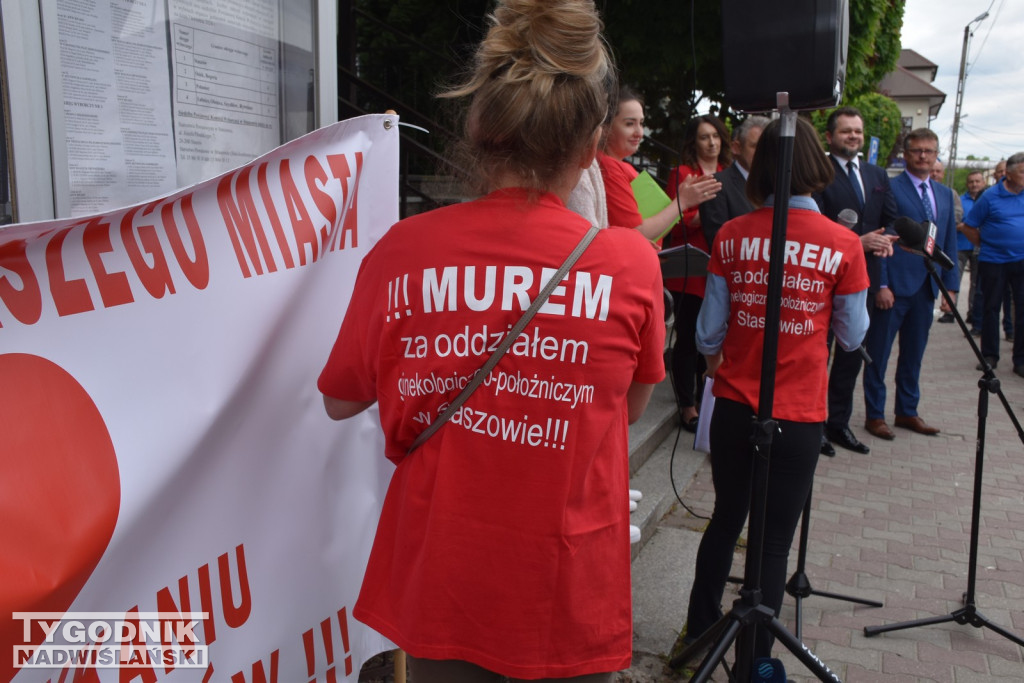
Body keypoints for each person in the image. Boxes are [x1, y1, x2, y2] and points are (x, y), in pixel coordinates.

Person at [317, 2, 667, 681]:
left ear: (480, 124)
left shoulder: (402, 252)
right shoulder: (630, 263)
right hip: (565, 597)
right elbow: (624, 412)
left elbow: (338, 402)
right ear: (590, 138)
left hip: (442, 587)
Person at [683, 117, 869, 661]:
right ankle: (754, 660)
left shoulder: (733, 235)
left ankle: (701, 629)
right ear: (818, 168)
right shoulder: (843, 243)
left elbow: (706, 333)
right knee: (772, 542)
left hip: (736, 405)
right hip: (800, 415)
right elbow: (853, 334)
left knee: (726, 517)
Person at [862, 129, 959, 439]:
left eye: (929, 151)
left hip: (926, 287)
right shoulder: (891, 188)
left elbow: (949, 241)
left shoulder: (943, 193)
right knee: (879, 352)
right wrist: (882, 284)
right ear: (905, 154)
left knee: (914, 354)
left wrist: (951, 286)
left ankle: (907, 411)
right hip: (894, 285)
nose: (923, 156)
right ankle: (874, 415)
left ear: (936, 154)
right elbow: (884, 235)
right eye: (917, 150)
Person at [815, 106, 898, 456]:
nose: (853, 137)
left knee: (851, 353)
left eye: (858, 132)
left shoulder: (877, 173)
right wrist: (855, 243)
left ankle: (838, 424)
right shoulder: (817, 173)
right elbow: (813, 223)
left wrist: (885, 240)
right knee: (820, 355)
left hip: (863, 280)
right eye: (846, 131)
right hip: (823, 279)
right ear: (830, 136)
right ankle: (813, 427)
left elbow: (892, 219)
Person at [663, 115, 731, 430]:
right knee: (688, 337)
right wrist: (705, 214)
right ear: (695, 142)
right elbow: (674, 222)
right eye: (704, 137)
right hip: (690, 268)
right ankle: (687, 405)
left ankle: (709, 401)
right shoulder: (684, 174)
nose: (711, 142)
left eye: (716, 136)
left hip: (721, 269)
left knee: (715, 338)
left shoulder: (729, 175)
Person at [597, 87, 720, 243]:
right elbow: (637, 233)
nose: (639, 132)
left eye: (641, 123)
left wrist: (681, 199)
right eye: (629, 124)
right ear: (605, 126)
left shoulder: (617, 165)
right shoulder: (608, 168)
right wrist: (682, 201)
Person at [960, 152, 1024, 376]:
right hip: (994, 260)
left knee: (1022, 309)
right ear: (1008, 173)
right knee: (991, 307)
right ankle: (989, 355)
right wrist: (986, 243)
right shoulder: (990, 196)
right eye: (1023, 172)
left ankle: (1020, 360)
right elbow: (969, 226)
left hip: (1021, 260)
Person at [698, 115, 769, 245]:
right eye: (755, 146)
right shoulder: (716, 185)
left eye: (768, 147)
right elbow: (717, 242)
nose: (763, 152)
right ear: (736, 147)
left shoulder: (777, 184)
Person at [933, 160, 962, 323]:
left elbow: (956, 217)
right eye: (932, 171)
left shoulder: (949, 194)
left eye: (938, 171)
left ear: (943, 174)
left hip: (940, 248)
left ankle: (949, 310)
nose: (935, 174)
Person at [958, 169, 987, 333]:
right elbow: (957, 223)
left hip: (978, 249)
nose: (974, 184)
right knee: (956, 279)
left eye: (977, 181)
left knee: (977, 285)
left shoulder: (986, 199)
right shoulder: (961, 200)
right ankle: (949, 311)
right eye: (971, 182)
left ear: (983, 182)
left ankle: (972, 314)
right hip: (961, 246)